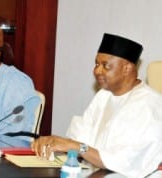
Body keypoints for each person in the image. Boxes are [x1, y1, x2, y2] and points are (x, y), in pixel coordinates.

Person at [31, 33, 162, 177]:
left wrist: (75, 146)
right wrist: (56, 143)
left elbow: (123, 162)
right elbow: (81, 140)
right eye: (97, 64)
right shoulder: (104, 95)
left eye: (105, 66)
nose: (97, 71)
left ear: (126, 69)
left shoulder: (148, 105)